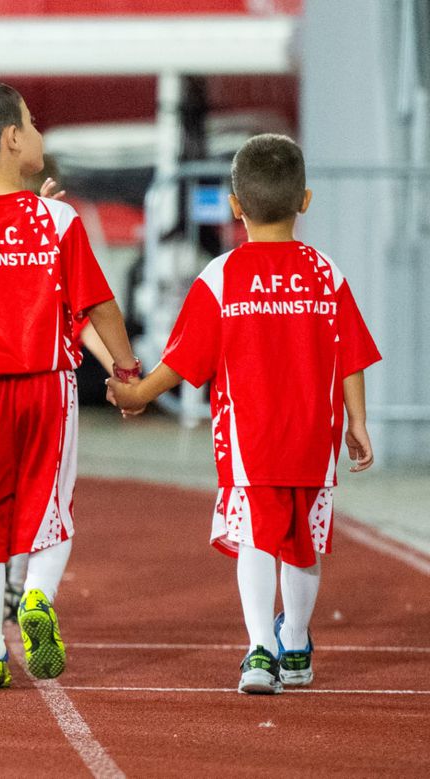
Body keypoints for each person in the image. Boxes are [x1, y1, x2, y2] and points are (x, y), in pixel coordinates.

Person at [106, 134, 380, 694]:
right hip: (313, 441)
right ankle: (297, 646)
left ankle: (259, 651)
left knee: (256, 540)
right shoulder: (327, 274)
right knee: (303, 543)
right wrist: (358, 422)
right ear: (305, 200)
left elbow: (183, 360)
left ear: (235, 205)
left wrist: (137, 395)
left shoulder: (222, 277)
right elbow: (350, 355)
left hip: (249, 441)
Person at [0, 82, 140, 688]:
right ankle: (38, 598)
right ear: (12, 139)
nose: (41, 133)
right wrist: (126, 372)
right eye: (32, 121)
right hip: (48, 388)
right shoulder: (58, 220)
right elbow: (98, 306)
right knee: (49, 513)